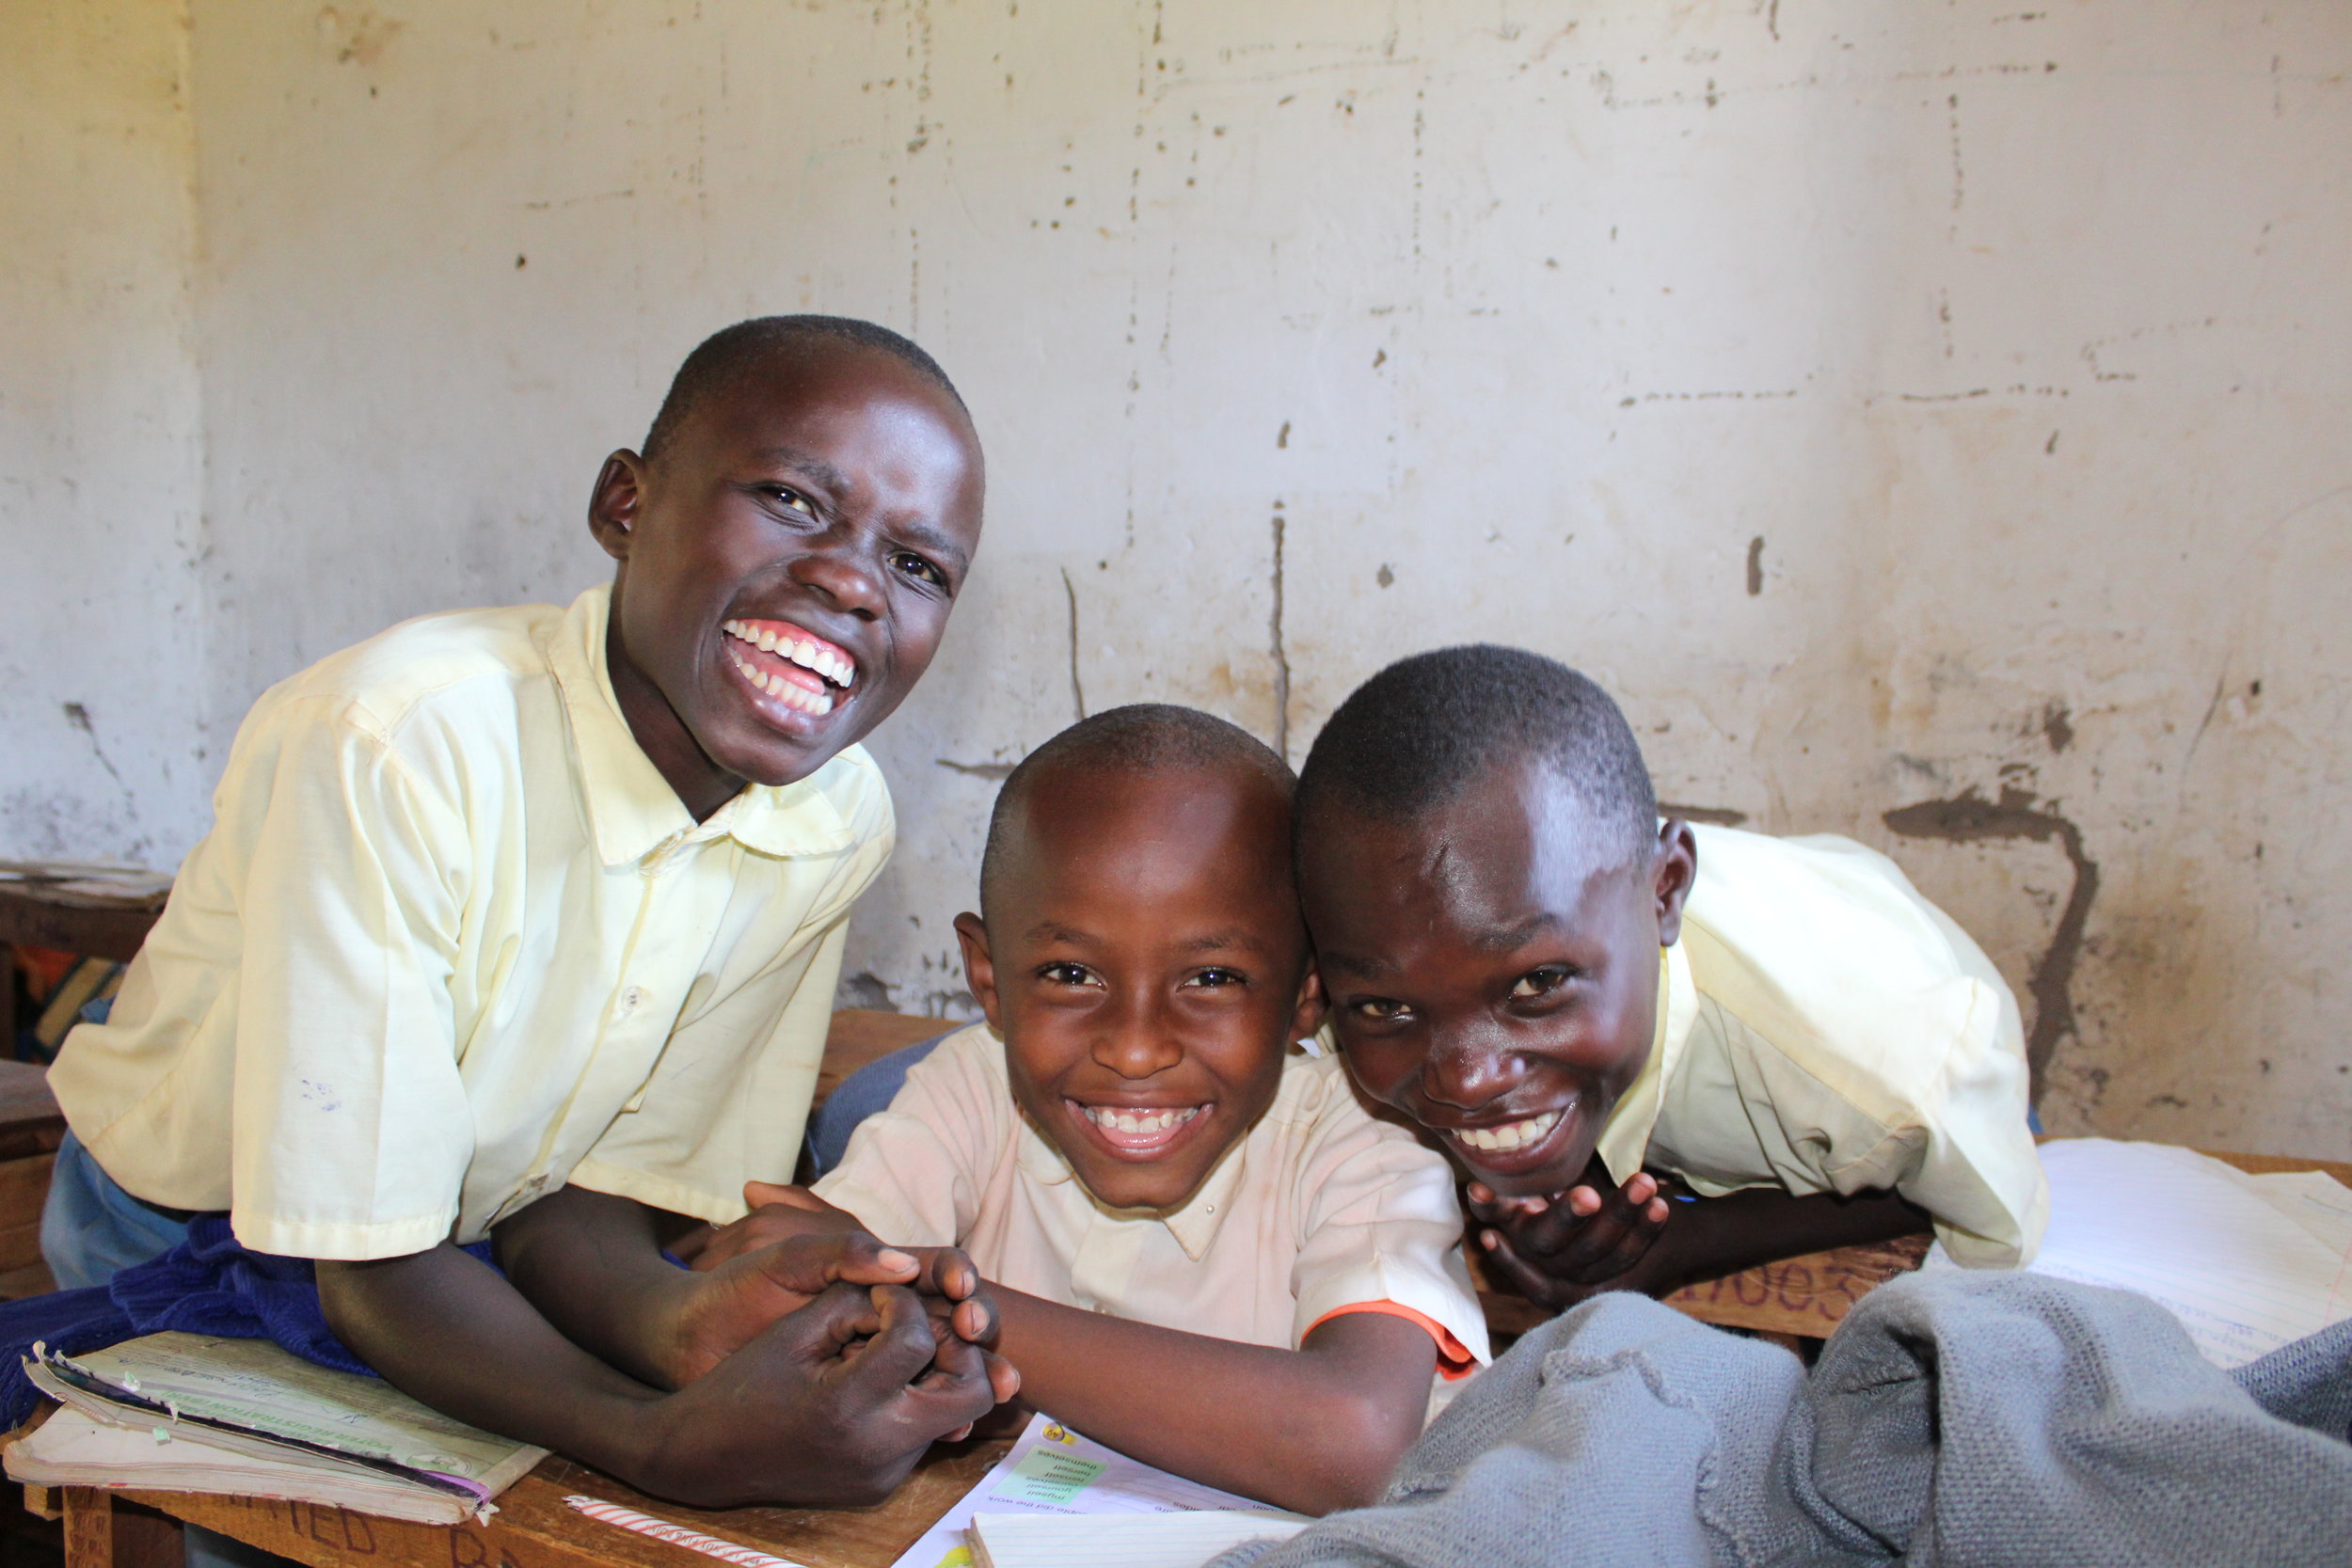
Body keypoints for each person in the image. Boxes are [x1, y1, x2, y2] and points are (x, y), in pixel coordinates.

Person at [39, 316, 1010, 1508]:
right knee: (271, 1533)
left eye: (919, 566)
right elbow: (367, 1258)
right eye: (795, 501)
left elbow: (594, 1192)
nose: (856, 580)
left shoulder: (833, 818)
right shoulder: (398, 742)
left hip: (472, 1234)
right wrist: (658, 1438)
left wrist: (679, 1326)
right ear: (624, 504)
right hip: (189, 1229)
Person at [695, 705, 1491, 1515]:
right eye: (1071, 974)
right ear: (989, 977)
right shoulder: (972, 1088)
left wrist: (959, 1310)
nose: (1136, 1049)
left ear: (1307, 992)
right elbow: (796, 1310)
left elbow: (1351, 1442)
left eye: (1212, 978)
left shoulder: (1368, 1137)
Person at [1290, 645, 2048, 1311]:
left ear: (1664, 892)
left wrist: (1697, 1237)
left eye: (1538, 983)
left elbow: (1978, 1204)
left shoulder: (1885, 1071)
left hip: (1910, 1028)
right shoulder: (1371, 963)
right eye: (1386, 1006)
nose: (1467, 1079)